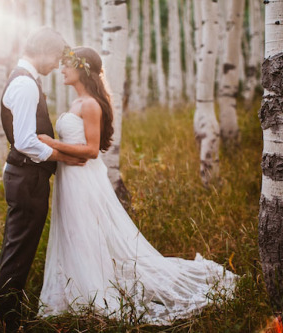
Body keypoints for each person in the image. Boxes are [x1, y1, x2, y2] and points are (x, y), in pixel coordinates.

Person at [36, 46, 238, 325]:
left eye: (67, 65)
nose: (62, 70)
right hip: (70, 176)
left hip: (84, 180)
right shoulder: (76, 103)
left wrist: (52, 144)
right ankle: (75, 290)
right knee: (73, 230)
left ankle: (93, 291)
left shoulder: (91, 105)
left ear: (81, 69)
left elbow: (93, 150)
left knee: (84, 231)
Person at [0, 27, 85, 332]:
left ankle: (8, 315)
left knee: (19, 248)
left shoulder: (26, 79)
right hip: (26, 178)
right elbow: (25, 141)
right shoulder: (25, 84)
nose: (55, 65)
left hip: (27, 176)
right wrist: (64, 157)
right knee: (18, 251)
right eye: (56, 58)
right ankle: (7, 320)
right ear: (44, 52)